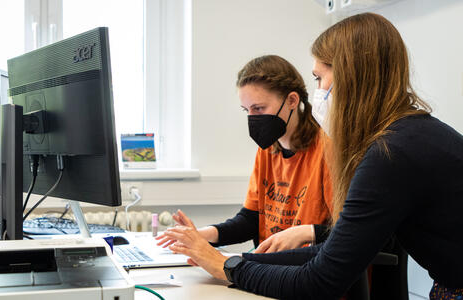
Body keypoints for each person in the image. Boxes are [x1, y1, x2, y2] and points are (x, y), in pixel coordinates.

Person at [162, 13, 463, 300]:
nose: (316, 90)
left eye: (319, 77)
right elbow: (330, 250)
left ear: (350, 77)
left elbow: (321, 281)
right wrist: (236, 259)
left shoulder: (391, 153)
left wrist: (226, 267)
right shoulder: (409, 136)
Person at [156, 55, 333, 254]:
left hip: (304, 268)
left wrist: (304, 232)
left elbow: (347, 232)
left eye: (259, 108)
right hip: (266, 266)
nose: (252, 119)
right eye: (246, 110)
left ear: (292, 100)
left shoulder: (327, 149)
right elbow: (251, 220)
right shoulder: (267, 149)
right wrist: (201, 235)